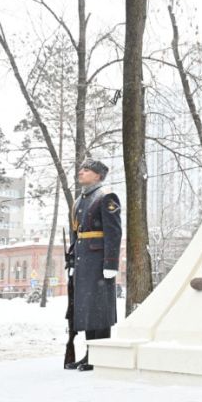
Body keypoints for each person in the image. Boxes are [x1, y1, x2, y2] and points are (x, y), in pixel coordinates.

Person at [65, 159, 122, 372]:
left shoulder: (106, 197)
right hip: (82, 261)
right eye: (81, 169)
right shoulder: (80, 200)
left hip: (99, 261)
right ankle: (90, 353)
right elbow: (75, 233)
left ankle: (101, 355)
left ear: (98, 175)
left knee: (100, 309)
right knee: (87, 310)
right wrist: (71, 259)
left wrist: (111, 263)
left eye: (86, 170)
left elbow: (114, 232)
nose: (81, 172)